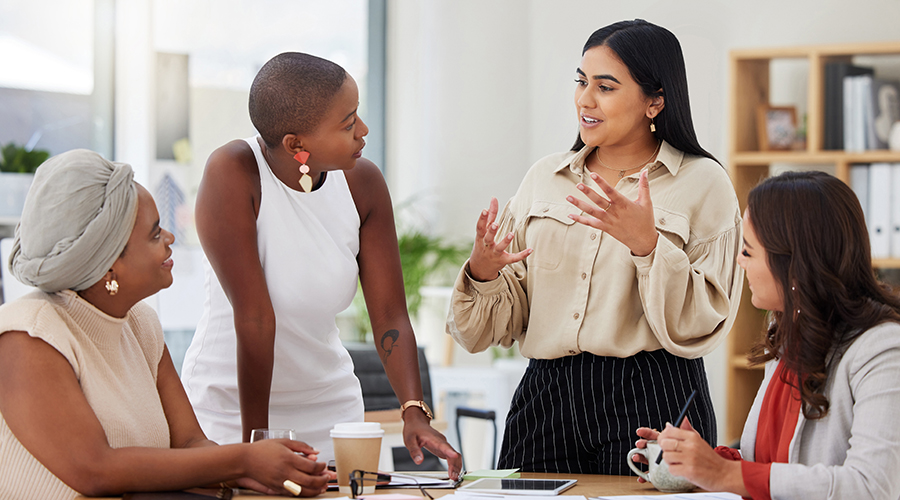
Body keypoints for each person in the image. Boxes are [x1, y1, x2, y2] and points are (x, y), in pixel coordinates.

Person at [446, 19, 743, 474]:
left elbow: (703, 321)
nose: (585, 99)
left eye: (605, 87)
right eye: (581, 82)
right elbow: (491, 329)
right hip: (546, 396)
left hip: (652, 393)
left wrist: (648, 246)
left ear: (655, 101)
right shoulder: (544, 178)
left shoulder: (703, 183)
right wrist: (483, 273)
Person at [179, 52, 461, 476]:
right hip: (231, 411)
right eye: (348, 124)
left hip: (333, 412)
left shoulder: (362, 183)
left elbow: (388, 313)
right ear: (297, 144)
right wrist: (255, 445)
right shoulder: (235, 172)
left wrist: (413, 411)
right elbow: (255, 318)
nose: (363, 131)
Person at [0, 150, 333, 499]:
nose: (170, 238)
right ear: (109, 265)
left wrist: (258, 473)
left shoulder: (141, 324)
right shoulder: (28, 335)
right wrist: (244, 461)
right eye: (155, 233)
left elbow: (189, 443)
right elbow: (95, 469)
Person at [640, 171, 900, 499]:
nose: (739, 261)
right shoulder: (788, 331)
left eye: (748, 251)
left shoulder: (882, 349)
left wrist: (724, 474)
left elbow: (872, 487)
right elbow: (770, 465)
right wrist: (699, 465)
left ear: (792, 263)